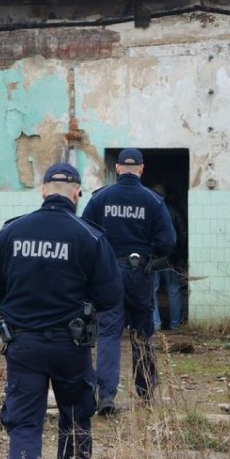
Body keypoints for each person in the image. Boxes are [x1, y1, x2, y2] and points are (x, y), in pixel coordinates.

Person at [0, 162, 123, 459]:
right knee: (75, 423)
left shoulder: (13, 231)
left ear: (43, 191)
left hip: (22, 344)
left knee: (25, 426)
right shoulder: (89, 236)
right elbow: (110, 297)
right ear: (76, 193)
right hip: (70, 347)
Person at [81, 148, 176, 415]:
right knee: (141, 333)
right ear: (142, 169)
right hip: (140, 273)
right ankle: (145, 393)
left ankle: (106, 396)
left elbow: (85, 233)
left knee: (109, 333)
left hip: (108, 272)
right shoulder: (153, 201)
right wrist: (151, 254)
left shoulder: (101, 198)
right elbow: (168, 241)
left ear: (118, 169)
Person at [151, 184, 187, 331]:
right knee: (174, 289)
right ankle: (175, 324)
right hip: (171, 257)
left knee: (152, 290)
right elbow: (183, 233)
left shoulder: (148, 210)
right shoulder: (174, 210)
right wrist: (180, 255)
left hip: (153, 258)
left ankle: (155, 324)